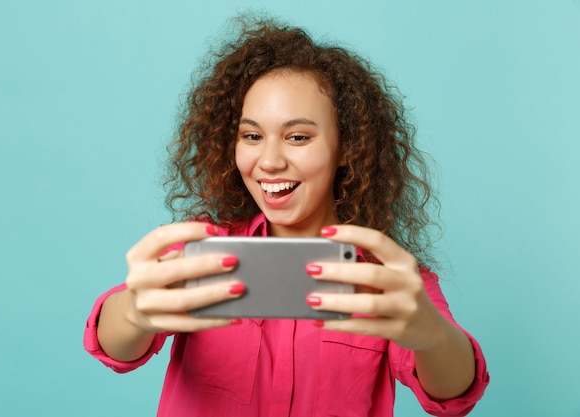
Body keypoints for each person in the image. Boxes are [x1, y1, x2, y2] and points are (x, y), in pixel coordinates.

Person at [84, 15, 489, 417]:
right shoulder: (199, 251)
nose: (270, 161)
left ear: (345, 147)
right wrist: (136, 309)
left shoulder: (388, 280)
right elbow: (116, 347)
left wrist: (433, 338)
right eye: (252, 136)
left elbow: (454, 393)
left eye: (298, 137)